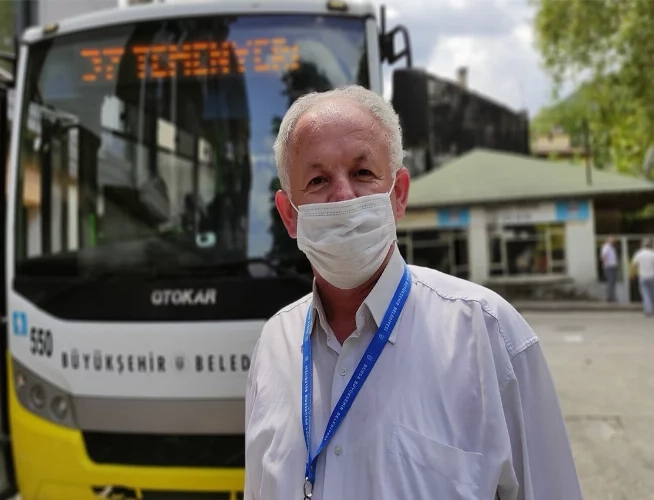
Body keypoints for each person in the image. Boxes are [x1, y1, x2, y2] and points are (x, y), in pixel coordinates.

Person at [243, 85, 583, 500]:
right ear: (289, 215)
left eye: (363, 173)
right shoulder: (273, 346)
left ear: (399, 194)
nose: (344, 196)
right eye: (317, 180)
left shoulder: (489, 335)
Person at [631, 238, 654, 316]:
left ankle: (648, 310)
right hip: (652, 276)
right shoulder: (652, 253)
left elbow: (634, 265)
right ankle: (652, 308)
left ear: (642, 245)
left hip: (643, 276)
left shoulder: (638, 254)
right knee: (652, 293)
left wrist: (632, 275)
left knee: (645, 294)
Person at [600, 236, 618, 302]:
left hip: (612, 266)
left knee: (612, 282)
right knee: (610, 282)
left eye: (614, 241)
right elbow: (603, 256)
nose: (614, 242)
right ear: (609, 240)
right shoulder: (606, 247)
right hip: (609, 267)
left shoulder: (611, 247)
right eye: (613, 240)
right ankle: (609, 297)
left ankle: (612, 296)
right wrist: (605, 265)